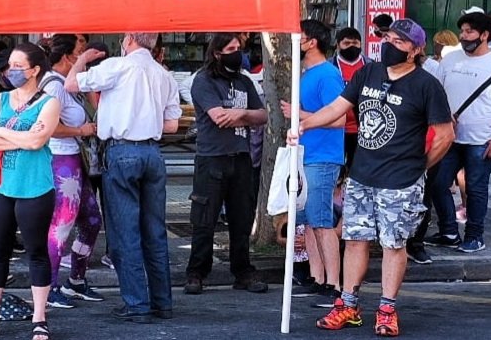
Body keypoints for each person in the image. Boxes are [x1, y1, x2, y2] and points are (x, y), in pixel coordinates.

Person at [291, 18, 454, 337]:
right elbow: (338, 107)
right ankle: (348, 305)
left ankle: (387, 309)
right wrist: (304, 125)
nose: (388, 45)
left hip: (401, 180)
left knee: (394, 243)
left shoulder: (426, 85)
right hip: (362, 175)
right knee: (354, 240)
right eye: (387, 38)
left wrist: (419, 167)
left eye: (398, 41)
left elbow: (445, 135)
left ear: (415, 50)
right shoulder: (368, 73)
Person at [66, 33, 182, 325]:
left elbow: (71, 84)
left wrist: (82, 59)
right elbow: (172, 125)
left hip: (121, 150)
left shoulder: (116, 66)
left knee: (125, 232)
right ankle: (162, 302)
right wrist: (146, 117)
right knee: (155, 231)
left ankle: (137, 303)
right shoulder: (164, 74)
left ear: (129, 39)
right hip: (152, 153)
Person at [0, 43, 61, 340]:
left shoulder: (49, 102)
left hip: (35, 185)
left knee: (36, 251)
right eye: (11, 65)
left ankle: (39, 318)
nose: (12, 70)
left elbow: (36, 142)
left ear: (35, 70)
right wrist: (18, 137)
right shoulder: (0, 99)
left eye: (19, 66)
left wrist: (1, 132)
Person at [183, 32, 269, 296]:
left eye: (238, 48)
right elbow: (218, 117)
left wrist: (241, 113)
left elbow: (263, 115)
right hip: (212, 157)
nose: (237, 53)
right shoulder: (204, 80)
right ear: (217, 53)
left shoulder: (244, 81)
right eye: (231, 49)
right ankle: (197, 271)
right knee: (204, 219)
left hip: (241, 156)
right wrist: (245, 116)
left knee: (242, 218)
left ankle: (242, 271)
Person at [426, 11, 491, 254]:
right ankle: (449, 231)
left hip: (483, 139)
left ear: (484, 35)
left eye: (470, 31)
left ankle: (474, 236)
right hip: (449, 137)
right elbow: (436, 92)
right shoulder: (450, 60)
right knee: (437, 183)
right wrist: (442, 115)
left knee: (476, 189)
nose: (464, 36)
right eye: (462, 31)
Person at [40, 34, 105, 308]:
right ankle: (49, 286)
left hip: (75, 159)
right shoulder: (54, 86)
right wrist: (81, 130)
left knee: (91, 220)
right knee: (62, 224)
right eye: (80, 52)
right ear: (67, 56)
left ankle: (76, 279)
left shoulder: (67, 84)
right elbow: (48, 127)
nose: (84, 57)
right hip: (61, 159)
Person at [280, 21, 344, 302]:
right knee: (309, 221)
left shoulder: (327, 74)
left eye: (300, 37)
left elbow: (339, 118)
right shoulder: (308, 73)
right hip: (307, 155)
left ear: (312, 42)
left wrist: (299, 115)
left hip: (322, 157)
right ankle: (318, 278)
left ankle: (333, 283)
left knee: (321, 221)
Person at [332, 27, 369, 168]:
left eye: (355, 43)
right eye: (346, 43)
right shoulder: (330, 67)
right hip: (336, 129)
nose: (351, 47)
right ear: (338, 45)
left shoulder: (370, 66)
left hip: (363, 130)